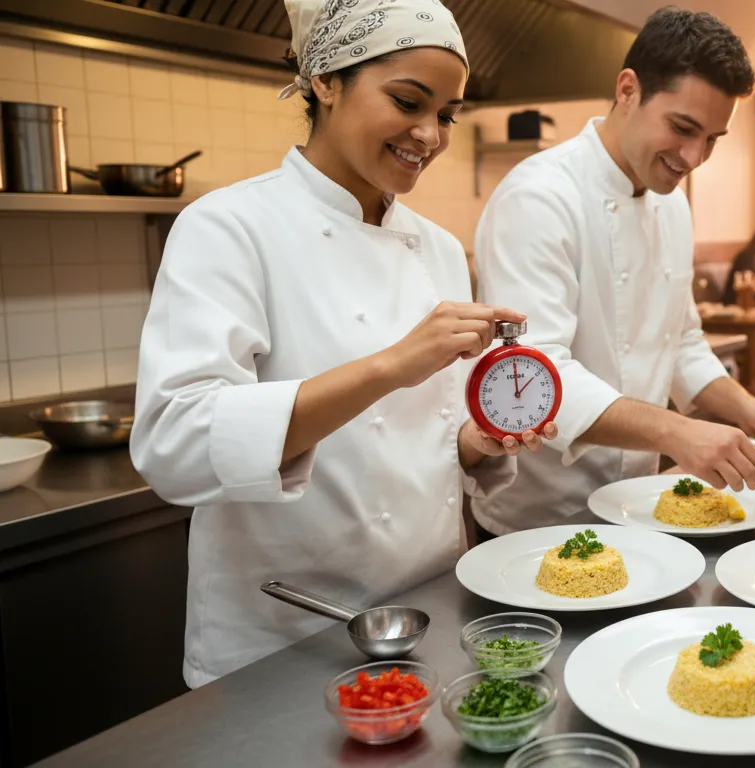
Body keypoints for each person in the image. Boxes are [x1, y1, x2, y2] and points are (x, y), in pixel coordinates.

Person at [129, 0, 555, 688]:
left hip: (427, 616)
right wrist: (390, 367)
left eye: (445, 114)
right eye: (409, 101)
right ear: (325, 80)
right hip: (281, 638)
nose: (430, 134)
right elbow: (174, 445)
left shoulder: (442, 250)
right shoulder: (228, 228)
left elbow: (410, 443)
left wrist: (473, 446)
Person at [473, 7, 755, 536]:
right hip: (542, 523)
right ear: (628, 90)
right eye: (683, 128)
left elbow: (681, 343)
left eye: (713, 139)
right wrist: (676, 432)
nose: (695, 156)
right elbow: (538, 376)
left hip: (642, 510)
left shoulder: (671, 205)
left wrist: (747, 408)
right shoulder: (539, 197)